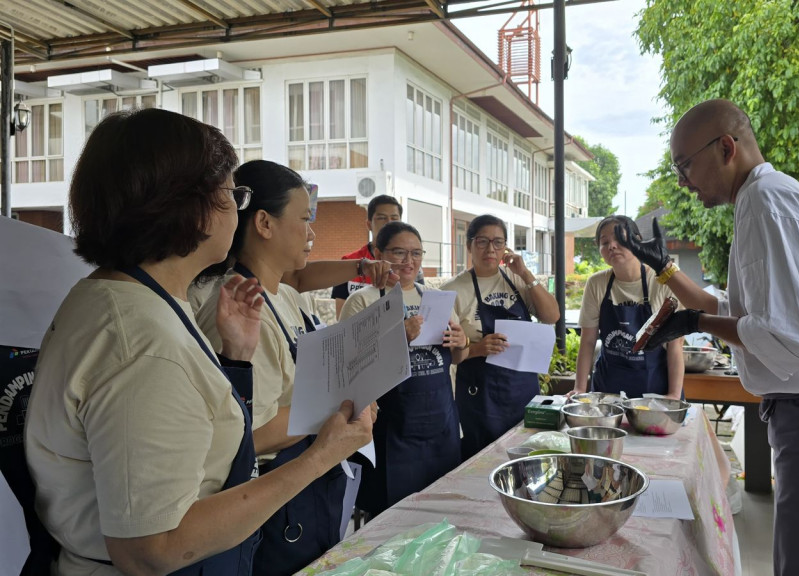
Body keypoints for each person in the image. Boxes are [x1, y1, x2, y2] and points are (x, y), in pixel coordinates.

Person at [24, 108, 374, 576]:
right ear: (187, 207)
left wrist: (234, 358)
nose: (239, 208)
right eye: (233, 193)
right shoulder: (143, 343)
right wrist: (321, 455)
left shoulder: (131, 298)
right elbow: (153, 548)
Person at [620, 99, 799, 576]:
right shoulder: (767, 196)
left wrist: (693, 325)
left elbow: (791, 338)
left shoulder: (765, 201)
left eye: (685, 165)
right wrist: (668, 273)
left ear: (727, 147)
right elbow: (735, 310)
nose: (681, 181)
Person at [194, 160, 387, 576]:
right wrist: (340, 408)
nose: (311, 233)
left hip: (305, 486)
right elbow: (253, 434)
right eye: (304, 219)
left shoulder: (286, 294)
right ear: (264, 223)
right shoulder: (241, 307)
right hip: (274, 501)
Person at [339, 222, 468, 517]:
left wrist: (461, 342)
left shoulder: (436, 300)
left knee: (440, 515)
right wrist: (399, 337)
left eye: (416, 253)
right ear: (378, 253)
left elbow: (456, 358)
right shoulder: (363, 301)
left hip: (441, 426)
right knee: (392, 521)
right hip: (392, 431)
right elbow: (348, 369)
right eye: (399, 252)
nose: (409, 261)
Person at [442, 215, 560, 460]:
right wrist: (477, 348)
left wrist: (525, 273)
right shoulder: (452, 290)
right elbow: (448, 357)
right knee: (483, 464)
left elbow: (552, 315)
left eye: (498, 242)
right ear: (469, 246)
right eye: (483, 241)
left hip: (523, 392)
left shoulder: (516, 280)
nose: (490, 249)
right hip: (480, 399)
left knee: (527, 461)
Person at [572, 215, 685, 398]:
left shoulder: (663, 281)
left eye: (619, 239)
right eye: (604, 242)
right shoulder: (597, 283)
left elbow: (675, 344)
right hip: (607, 390)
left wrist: (673, 395)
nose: (612, 246)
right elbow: (588, 341)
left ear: (637, 241)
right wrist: (579, 388)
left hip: (655, 389)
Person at [331, 195, 403, 317]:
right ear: (369, 225)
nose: (389, 223)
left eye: (394, 218)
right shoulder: (349, 262)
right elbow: (341, 317)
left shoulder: (409, 264)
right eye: (381, 218)